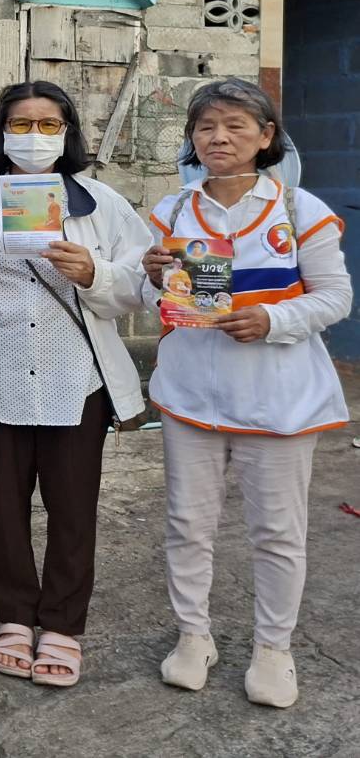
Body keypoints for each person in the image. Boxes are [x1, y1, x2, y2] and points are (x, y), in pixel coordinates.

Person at [141, 78, 351, 709]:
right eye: (206, 127)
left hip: (279, 400)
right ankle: (193, 636)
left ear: (266, 138)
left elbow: (336, 297)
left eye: (235, 125)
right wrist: (154, 280)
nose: (219, 137)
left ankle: (273, 649)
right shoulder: (172, 213)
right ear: (192, 139)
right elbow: (155, 305)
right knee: (187, 524)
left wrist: (272, 321)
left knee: (278, 532)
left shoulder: (299, 210)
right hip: (190, 398)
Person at [0, 80, 147, 688]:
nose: (33, 136)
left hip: (74, 381)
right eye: (21, 124)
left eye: (48, 125)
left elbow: (141, 285)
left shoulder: (102, 205)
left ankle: (60, 624)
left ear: (68, 133)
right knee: (3, 512)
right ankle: (13, 616)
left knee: (72, 509)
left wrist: (95, 273)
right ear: (2, 132)